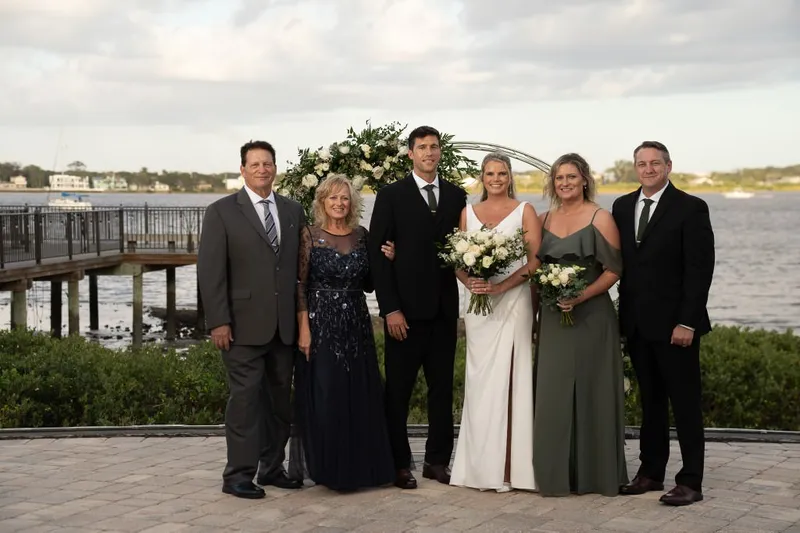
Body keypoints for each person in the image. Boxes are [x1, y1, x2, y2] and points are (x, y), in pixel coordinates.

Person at [197, 140, 305, 499]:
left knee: (279, 403)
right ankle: (238, 476)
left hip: (283, 327)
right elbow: (211, 273)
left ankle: (271, 469)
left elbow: (299, 270)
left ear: (275, 168)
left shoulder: (292, 211)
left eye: (268, 163)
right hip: (240, 328)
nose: (262, 169)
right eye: (255, 164)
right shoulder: (222, 212)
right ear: (242, 170)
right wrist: (218, 322)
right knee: (245, 402)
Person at [614, 141, 715, 506]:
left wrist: (687, 322)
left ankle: (691, 482)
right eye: (642, 163)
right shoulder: (622, 207)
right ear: (635, 168)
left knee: (685, 404)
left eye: (655, 163)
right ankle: (651, 473)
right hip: (638, 325)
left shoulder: (691, 208)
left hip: (676, 327)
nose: (648, 169)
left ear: (669, 166)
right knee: (651, 403)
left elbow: (700, 270)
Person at [368, 125, 467, 489]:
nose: (429, 152)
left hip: (443, 311)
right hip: (404, 314)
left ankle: (437, 462)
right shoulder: (391, 195)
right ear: (410, 153)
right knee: (399, 391)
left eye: (434, 146)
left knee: (442, 389)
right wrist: (390, 309)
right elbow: (378, 257)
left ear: (440, 152)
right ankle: (398, 464)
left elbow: (462, 248)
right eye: (422, 147)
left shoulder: (457, 197)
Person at [289, 174, 396, 491]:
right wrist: (304, 329)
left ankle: (360, 468)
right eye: (332, 197)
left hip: (356, 326)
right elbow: (300, 286)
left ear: (352, 203)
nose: (339, 203)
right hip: (322, 326)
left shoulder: (362, 236)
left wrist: (387, 259)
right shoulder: (310, 235)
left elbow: (369, 284)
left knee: (358, 395)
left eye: (344, 198)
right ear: (322, 202)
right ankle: (329, 469)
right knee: (327, 395)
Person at [532, 153, 629, 497]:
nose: (565, 183)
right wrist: (534, 318)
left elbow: (614, 270)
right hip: (554, 318)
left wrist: (581, 295)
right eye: (559, 178)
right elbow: (534, 273)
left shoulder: (601, 218)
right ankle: (554, 474)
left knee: (593, 392)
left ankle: (596, 474)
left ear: (585, 179)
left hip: (592, 317)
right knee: (552, 396)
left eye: (571, 177)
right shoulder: (543, 219)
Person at [449, 153, 541, 493]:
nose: (496, 178)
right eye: (490, 173)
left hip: (513, 304)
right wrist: (470, 283)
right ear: (482, 177)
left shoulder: (525, 211)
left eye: (502, 172)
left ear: (510, 176)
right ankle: (476, 467)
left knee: (513, 379)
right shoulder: (467, 213)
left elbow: (535, 261)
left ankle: (511, 469)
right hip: (480, 308)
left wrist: (502, 285)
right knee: (480, 380)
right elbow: (457, 259)